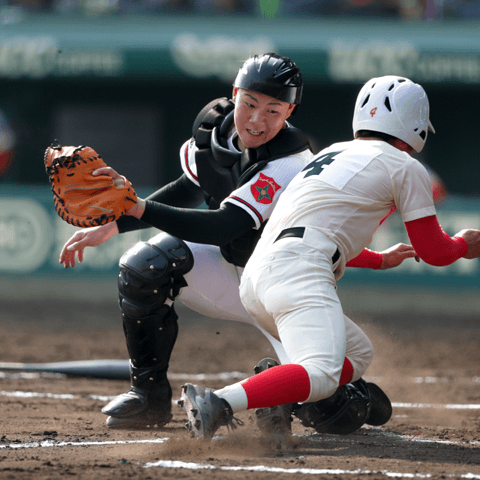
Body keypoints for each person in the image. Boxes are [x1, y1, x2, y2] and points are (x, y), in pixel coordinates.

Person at [59, 58, 413, 435]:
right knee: (144, 265)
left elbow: (226, 225)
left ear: (290, 111)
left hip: (279, 287)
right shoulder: (215, 131)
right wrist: (116, 225)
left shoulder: (292, 162)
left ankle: (346, 394)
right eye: (250, 103)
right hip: (231, 271)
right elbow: (189, 188)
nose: (257, 120)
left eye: (273, 110)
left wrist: (138, 206)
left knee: (332, 413)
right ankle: (148, 397)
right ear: (234, 95)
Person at [177, 75, 480, 441]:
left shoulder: (331, 153)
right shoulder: (405, 165)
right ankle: (218, 403)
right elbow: (435, 251)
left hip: (260, 274)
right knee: (320, 373)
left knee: (358, 352)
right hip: (296, 270)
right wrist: (464, 243)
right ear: (414, 123)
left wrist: (378, 260)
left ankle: (279, 394)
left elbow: (313, 234)